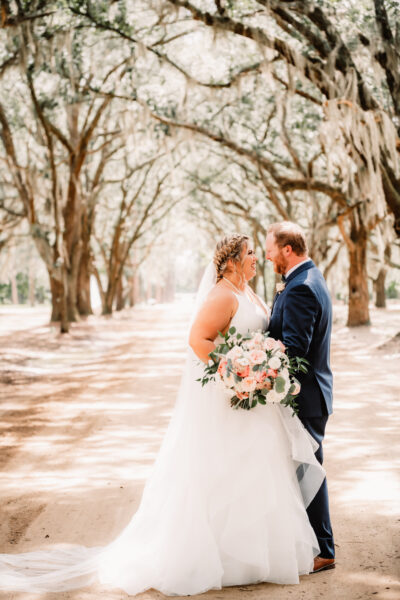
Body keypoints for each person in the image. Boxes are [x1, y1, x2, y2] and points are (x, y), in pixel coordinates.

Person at [0, 233, 326, 595]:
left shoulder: (247, 291)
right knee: (226, 474)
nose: (256, 259)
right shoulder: (221, 294)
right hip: (233, 399)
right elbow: (198, 340)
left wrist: (257, 371)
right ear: (232, 260)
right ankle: (221, 557)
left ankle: (257, 555)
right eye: (250, 254)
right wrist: (237, 375)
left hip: (253, 405)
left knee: (258, 474)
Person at [266, 221, 335, 573]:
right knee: (306, 468)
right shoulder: (309, 278)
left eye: (270, 249)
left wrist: (261, 369)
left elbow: (295, 350)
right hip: (313, 394)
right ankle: (315, 543)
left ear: (287, 250)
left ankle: (324, 549)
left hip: (305, 397)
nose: (267, 255)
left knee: (309, 470)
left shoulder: (300, 289)